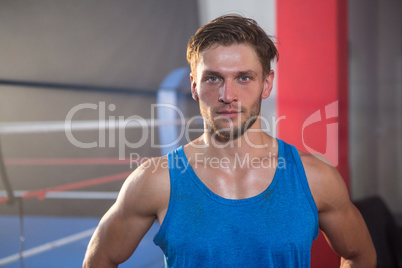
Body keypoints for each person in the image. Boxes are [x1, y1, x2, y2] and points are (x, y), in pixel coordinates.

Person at [83, 14, 376, 267]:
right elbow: (99, 260)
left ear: (267, 83)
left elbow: (360, 256)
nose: (227, 95)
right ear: (195, 86)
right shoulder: (156, 180)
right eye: (213, 78)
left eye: (244, 78)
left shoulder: (315, 179)